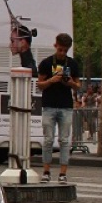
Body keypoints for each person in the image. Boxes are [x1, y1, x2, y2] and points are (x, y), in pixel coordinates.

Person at [38, 32, 82, 183]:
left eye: (65, 50)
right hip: (49, 105)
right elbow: (40, 85)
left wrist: (68, 82)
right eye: (60, 49)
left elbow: (78, 86)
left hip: (65, 106)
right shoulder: (46, 63)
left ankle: (63, 173)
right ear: (55, 46)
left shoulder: (73, 64)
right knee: (48, 139)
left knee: (64, 140)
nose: (62, 53)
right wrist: (52, 80)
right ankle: (46, 171)